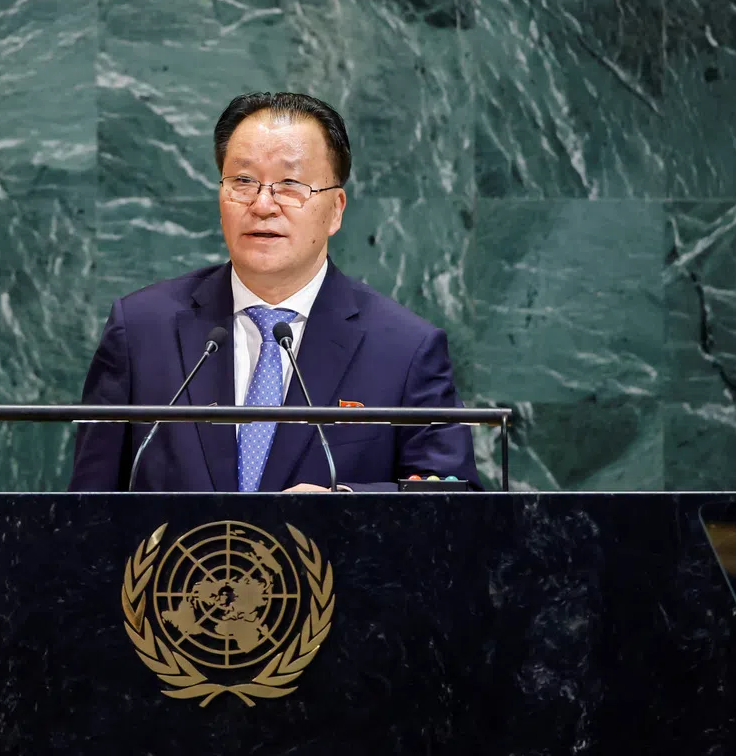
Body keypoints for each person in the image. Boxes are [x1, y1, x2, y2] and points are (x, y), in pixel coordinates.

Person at [69, 91, 480, 492]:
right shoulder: (142, 330)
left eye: (289, 184)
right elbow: (86, 510)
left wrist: (349, 506)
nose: (263, 204)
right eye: (243, 181)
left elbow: (453, 499)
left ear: (336, 210)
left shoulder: (405, 349)